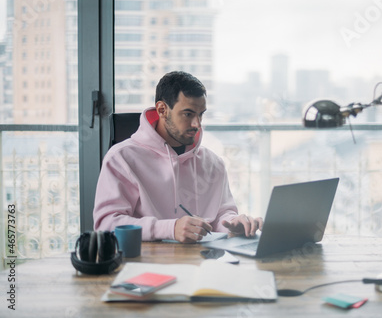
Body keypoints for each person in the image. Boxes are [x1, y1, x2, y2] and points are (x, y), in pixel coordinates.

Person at [93, 71, 263, 243]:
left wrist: (234, 223)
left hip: (204, 263)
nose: (197, 124)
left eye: (201, 114)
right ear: (162, 110)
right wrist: (170, 229)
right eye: (188, 114)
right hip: (148, 261)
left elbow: (222, 214)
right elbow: (106, 224)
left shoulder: (213, 163)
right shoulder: (121, 158)